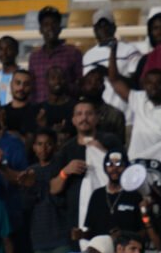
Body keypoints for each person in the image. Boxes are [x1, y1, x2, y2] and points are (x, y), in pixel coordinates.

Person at [49, 98, 125, 238]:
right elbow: (53, 188)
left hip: (109, 210)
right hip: (77, 217)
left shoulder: (110, 141)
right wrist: (65, 172)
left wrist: (103, 152)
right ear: (73, 120)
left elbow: (125, 171)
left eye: (89, 114)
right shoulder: (66, 150)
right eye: (79, 114)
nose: (84, 118)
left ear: (97, 118)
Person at [17, 128, 71, 253]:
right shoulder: (30, 172)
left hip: (61, 236)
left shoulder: (60, 169)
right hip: (39, 238)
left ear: (55, 146)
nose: (43, 148)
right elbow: (25, 204)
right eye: (39, 144)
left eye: (48, 144)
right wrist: (29, 187)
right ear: (34, 147)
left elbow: (63, 199)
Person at [108, 64, 161, 161]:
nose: (154, 86)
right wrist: (113, 54)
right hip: (135, 162)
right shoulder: (138, 99)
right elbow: (114, 80)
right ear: (144, 85)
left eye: (158, 83)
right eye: (149, 83)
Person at [75, 150, 142, 242]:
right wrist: (81, 234)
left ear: (126, 168)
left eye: (119, 164)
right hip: (101, 248)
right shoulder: (97, 195)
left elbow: (143, 232)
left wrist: (123, 235)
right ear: (105, 168)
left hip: (125, 248)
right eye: (109, 164)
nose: (114, 168)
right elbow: (91, 231)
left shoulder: (134, 196)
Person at [28, 6, 83, 103]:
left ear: (60, 28)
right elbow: (32, 88)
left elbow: (80, 85)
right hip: (40, 109)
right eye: (46, 24)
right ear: (40, 29)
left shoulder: (73, 53)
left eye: (54, 24)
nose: (50, 28)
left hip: (66, 108)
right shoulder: (34, 58)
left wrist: (63, 85)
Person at [3, 69, 41, 143]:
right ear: (11, 85)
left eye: (26, 84)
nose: (21, 88)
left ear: (31, 87)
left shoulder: (37, 112)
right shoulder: (1, 111)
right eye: (18, 83)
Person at [0, 35, 20, 106]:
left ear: (16, 51)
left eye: (8, 49)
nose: (4, 53)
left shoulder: (22, 76)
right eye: (1, 49)